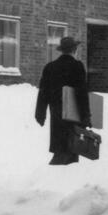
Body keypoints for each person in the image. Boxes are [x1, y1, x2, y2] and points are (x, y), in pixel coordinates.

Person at [35, 36, 92, 165]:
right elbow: (82, 94)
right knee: (71, 151)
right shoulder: (77, 66)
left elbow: (43, 93)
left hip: (56, 115)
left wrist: (40, 114)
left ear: (62, 50)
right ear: (74, 49)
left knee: (59, 149)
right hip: (73, 116)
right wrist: (86, 116)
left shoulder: (50, 67)